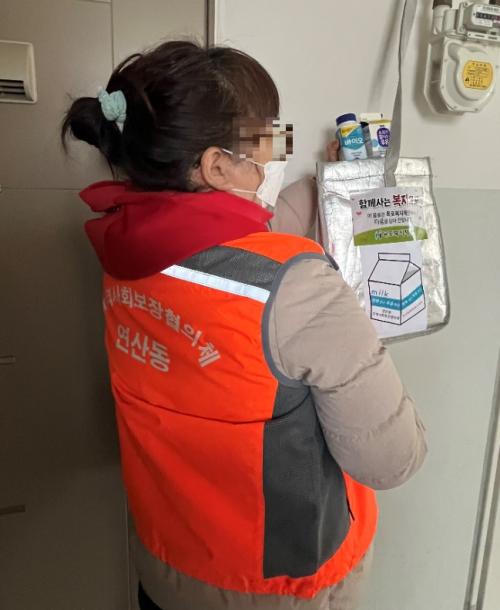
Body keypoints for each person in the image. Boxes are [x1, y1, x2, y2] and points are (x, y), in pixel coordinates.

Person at [62, 40, 427, 610]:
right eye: (269, 138)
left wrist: (335, 187)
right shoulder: (300, 288)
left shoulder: (125, 256)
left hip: (166, 567)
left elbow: (236, 258)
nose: (281, 150)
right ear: (215, 166)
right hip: (278, 588)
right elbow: (390, 460)